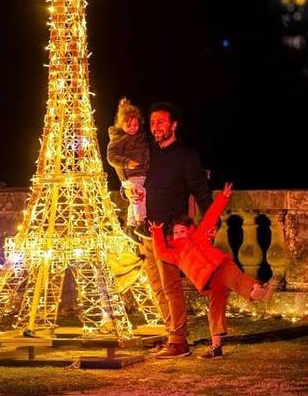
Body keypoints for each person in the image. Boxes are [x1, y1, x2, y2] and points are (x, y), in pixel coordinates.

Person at [148, 182, 275, 359]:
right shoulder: (175, 254)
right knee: (215, 309)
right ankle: (216, 348)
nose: (178, 234)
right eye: (176, 232)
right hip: (209, 281)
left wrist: (223, 197)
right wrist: (156, 233)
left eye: (182, 231)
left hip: (220, 266)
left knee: (238, 279)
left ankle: (256, 291)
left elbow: (211, 216)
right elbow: (160, 252)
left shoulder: (198, 236)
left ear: (190, 230)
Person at [141, 101, 215, 358]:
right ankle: (170, 331)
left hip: (171, 235)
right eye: (152, 123)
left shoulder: (186, 157)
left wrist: (210, 225)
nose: (156, 127)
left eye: (161, 122)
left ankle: (179, 341)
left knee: (172, 288)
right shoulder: (151, 153)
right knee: (157, 287)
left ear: (174, 125)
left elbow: (203, 194)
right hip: (149, 233)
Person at [106, 98, 150, 236]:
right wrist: (126, 162)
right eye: (129, 125)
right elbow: (111, 157)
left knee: (135, 200)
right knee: (139, 197)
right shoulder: (119, 139)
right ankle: (141, 222)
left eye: (135, 125)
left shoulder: (139, 137)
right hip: (132, 174)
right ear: (120, 124)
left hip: (138, 174)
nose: (133, 128)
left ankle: (131, 225)